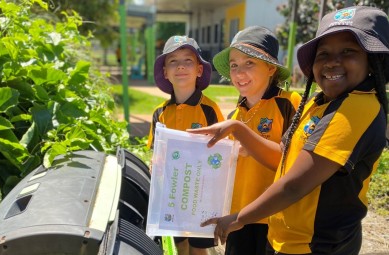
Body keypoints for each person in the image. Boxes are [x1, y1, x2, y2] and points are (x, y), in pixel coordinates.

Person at [188, 5, 388, 255]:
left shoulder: (357, 107)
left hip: (318, 244)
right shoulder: (318, 103)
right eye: (323, 53)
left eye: (348, 51)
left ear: (373, 59)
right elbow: (284, 154)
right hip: (286, 238)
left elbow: (294, 185)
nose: (332, 62)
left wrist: (238, 218)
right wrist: (237, 129)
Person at [212, 26, 301, 255]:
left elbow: (291, 163)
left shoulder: (289, 103)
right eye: (234, 65)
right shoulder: (235, 114)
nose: (239, 72)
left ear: (271, 68)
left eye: (249, 63)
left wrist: (249, 145)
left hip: (273, 216)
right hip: (237, 215)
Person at [147, 35, 224, 255]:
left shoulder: (210, 110)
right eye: (173, 61)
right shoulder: (160, 113)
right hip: (172, 194)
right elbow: (156, 153)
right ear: (165, 72)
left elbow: (220, 155)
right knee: (179, 245)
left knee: (198, 248)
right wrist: (155, 164)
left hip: (201, 194)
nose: (180, 66)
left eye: (188, 60)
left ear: (199, 70)